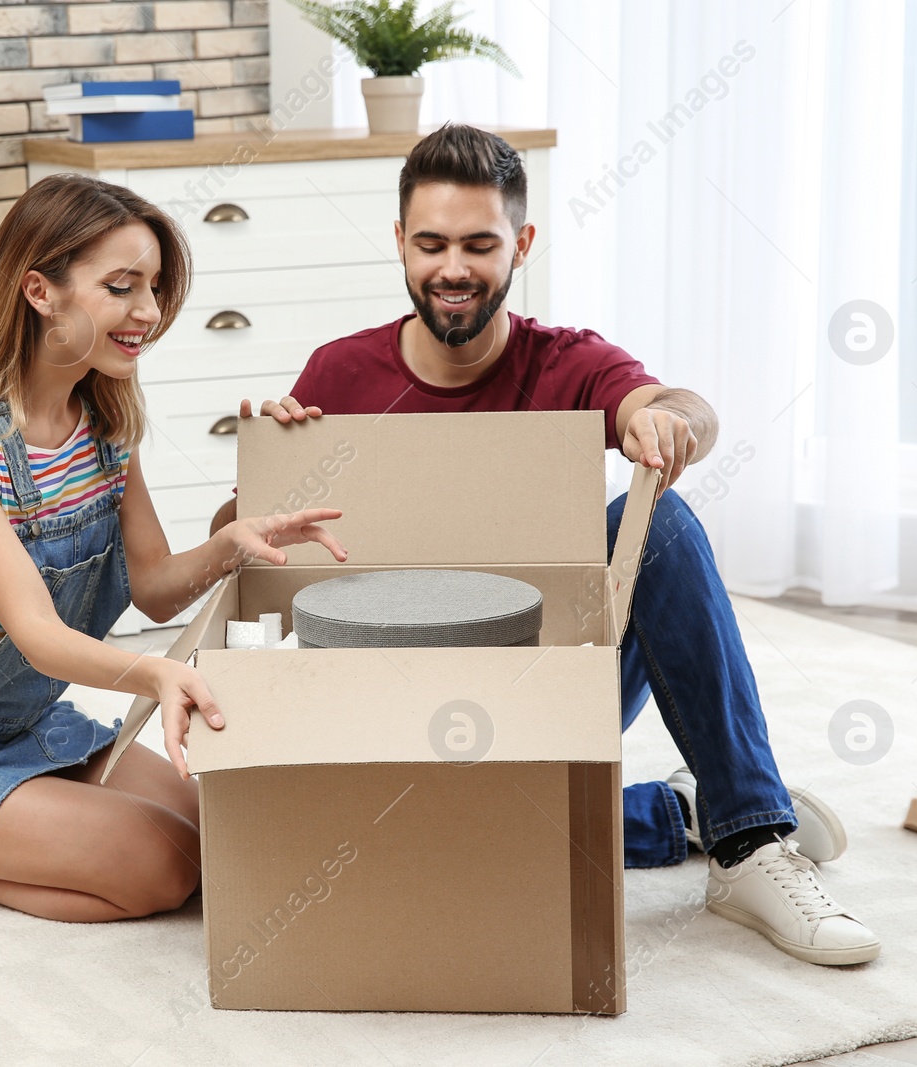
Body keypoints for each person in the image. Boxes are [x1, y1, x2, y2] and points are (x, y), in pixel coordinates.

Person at [208, 124, 880, 967]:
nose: (453, 268)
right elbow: (229, 556)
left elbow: (679, 405)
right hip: (391, 696)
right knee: (417, 839)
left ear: (521, 244)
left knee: (663, 526)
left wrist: (664, 423)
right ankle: (683, 813)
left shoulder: (566, 362)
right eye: (432, 243)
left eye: (480, 244)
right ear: (400, 245)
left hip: (544, 672)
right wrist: (269, 479)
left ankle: (749, 841)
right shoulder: (338, 375)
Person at [0, 173, 346, 922]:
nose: (149, 313)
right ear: (39, 291)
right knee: (156, 872)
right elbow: (37, 636)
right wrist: (155, 672)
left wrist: (235, 530)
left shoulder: (102, 424)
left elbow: (155, 585)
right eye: (123, 286)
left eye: (154, 288)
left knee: (217, 834)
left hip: (27, 723)